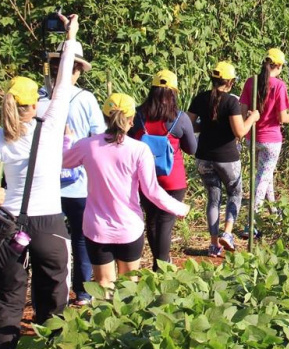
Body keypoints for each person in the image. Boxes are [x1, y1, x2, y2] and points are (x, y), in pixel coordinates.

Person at [0, 14, 78, 349]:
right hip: (48, 221)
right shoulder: (50, 123)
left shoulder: (3, 136)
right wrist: (69, 36)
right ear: (35, 103)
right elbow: (62, 85)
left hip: (9, 220)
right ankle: (51, 343)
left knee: (8, 296)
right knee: (54, 291)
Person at [63, 94, 189, 289]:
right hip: (129, 228)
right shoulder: (139, 149)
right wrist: (179, 208)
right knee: (128, 286)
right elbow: (152, 191)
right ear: (131, 120)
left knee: (104, 284)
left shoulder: (86, 146)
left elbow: (63, 161)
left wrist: (67, 139)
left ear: (105, 118)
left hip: (97, 228)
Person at [36, 41, 102, 306]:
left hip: (44, 185)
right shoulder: (85, 99)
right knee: (80, 238)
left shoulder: (38, 99)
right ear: (76, 71)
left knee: (49, 241)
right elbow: (98, 137)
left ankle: (52, 293)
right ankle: (83, 291)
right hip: (78, 184)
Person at [187, 62, 259, 257]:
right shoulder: (230, 102)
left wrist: (208, 126)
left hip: (204, 156)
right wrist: (253, 118)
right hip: (226, 157)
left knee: (213, 199)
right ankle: (227, 233)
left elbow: (190, 125)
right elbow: (240, 132)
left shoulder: (201, 98)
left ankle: (213, 245)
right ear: (230, 82)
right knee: (235, 193)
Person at [129, 70, 197, 271]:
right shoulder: (179, 118)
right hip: (173, 180)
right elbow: (191, 149)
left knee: (151, 221)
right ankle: (161, 265)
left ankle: (158, 263)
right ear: (174, 93)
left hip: (145, 178)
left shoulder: (138, 115)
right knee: (165, 224)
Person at [239, 49, 289, 213]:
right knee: (263, 178)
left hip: (252, 137)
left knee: (266, 173)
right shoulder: (279, 86)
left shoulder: (251, 82)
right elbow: (282, 118)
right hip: (271, 140)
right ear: (278, 66)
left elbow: (243, 110)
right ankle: (253, 219)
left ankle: (274, 213)